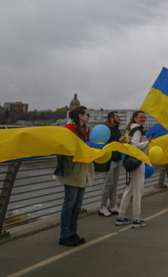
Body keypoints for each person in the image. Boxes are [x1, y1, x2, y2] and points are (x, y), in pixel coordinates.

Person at [54, 105, 94, 247]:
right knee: (69, 202)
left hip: (82, 169)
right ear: (80, 116)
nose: (89, 117)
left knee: (77, 203)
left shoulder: (86, 130)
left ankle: (72, 231)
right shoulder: (69, 129)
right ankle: (64, 234)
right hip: (72, 169)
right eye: (87, 115)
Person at [115, 111, 152, 229]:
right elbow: (135, 145)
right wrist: (147, 142)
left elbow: (129, 143)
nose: (143, 119)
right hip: (137, 162)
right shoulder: (138, 130)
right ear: (135, 118)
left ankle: (121, 216)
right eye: (140, 117)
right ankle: (136, 218)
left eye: (144, 117)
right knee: (138, 191)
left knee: (129, 189)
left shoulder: (131, 129)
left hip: (132, 163)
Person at [99, 111, 124, 217]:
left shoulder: (117, 129)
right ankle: (102, 207)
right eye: (117, 116)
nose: (119, 118)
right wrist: (118, 141)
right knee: (108, 184)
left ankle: (113, 206)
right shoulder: (106, 130)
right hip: (108, 161)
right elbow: (105, 144)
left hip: (117, 160)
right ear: (111, 118)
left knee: (114, 184)